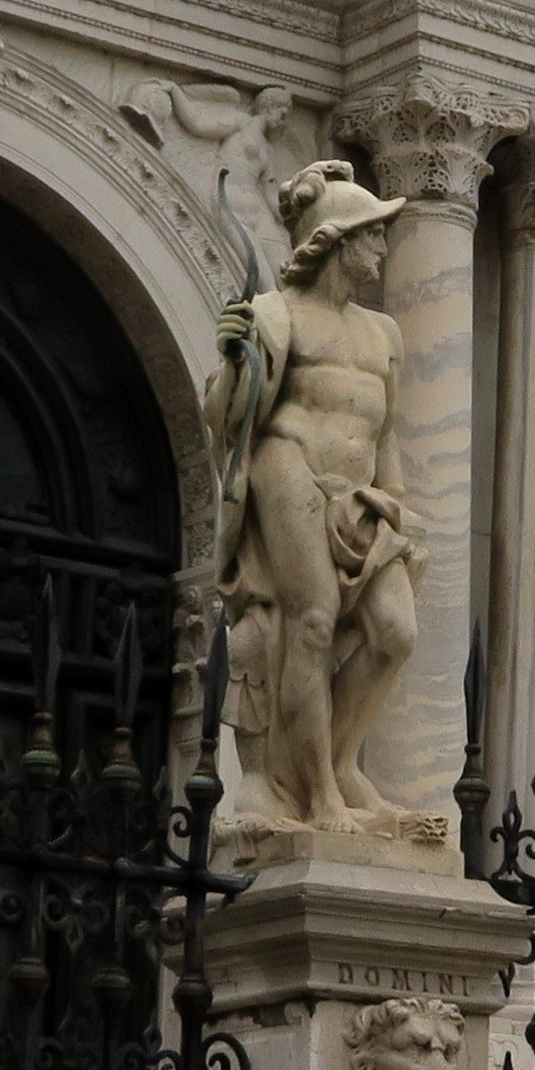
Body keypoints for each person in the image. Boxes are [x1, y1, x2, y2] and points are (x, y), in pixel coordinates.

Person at [202, 160, 416, 826]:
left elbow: (387, 435)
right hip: (286, 465)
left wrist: (400, 511)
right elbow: (235, 420)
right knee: (314, 621)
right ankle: (318, 794)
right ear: (337, 240)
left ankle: (345, 765)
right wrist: (237, 359)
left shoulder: (385, 334)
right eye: (373, 234)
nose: (383, 247)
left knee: (395, 634)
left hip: (360, 496)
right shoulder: (275, 314)